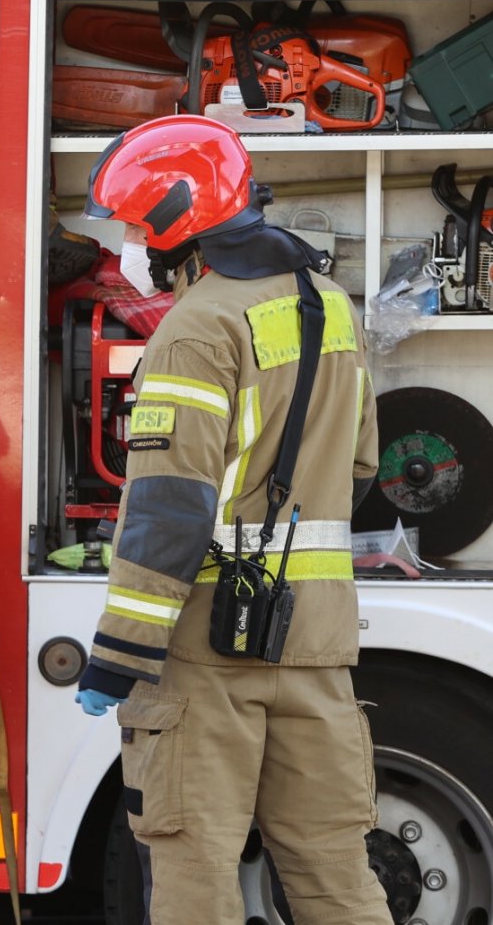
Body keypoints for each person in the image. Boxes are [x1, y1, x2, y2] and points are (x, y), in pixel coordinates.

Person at [72, 116, 390, 924]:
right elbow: (358, 467)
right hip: (316, 647)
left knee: (194, 883)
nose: (130, 249)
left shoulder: (195, 327)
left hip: (209, 654)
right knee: (337, 882)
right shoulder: (331, 307)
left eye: (138, 227)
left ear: (181, 218)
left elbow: (169, 510)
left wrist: (118, 654)